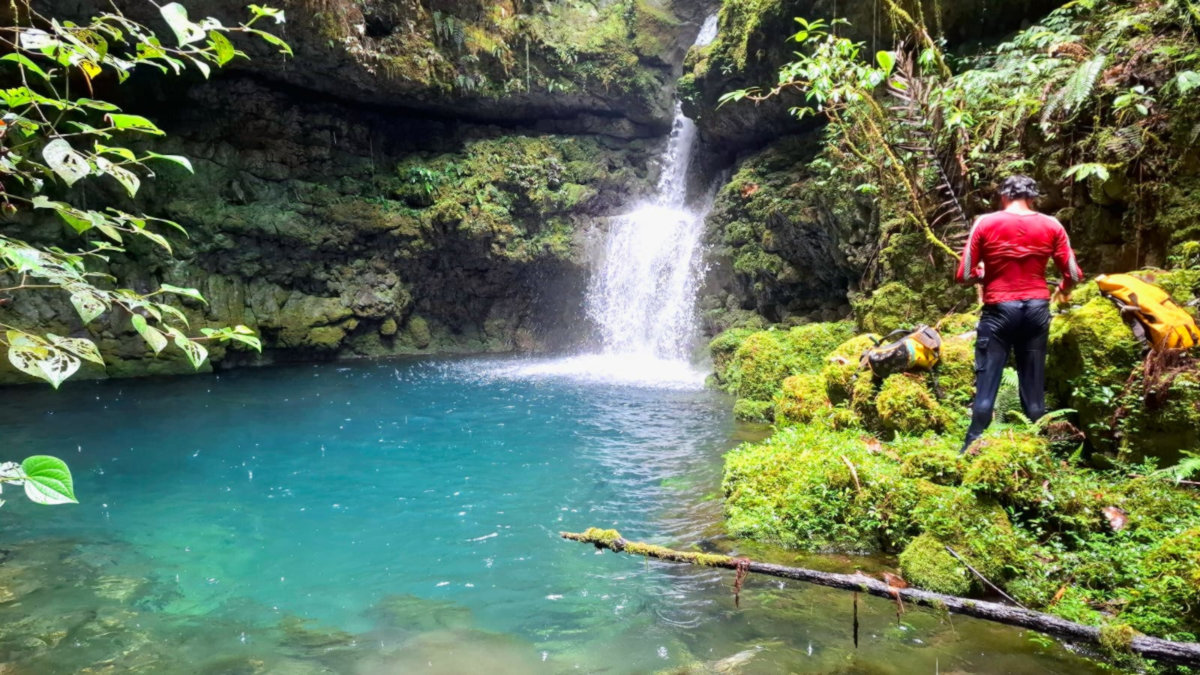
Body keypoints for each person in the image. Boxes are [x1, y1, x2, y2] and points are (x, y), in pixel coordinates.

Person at [954, 175, 1083, 453]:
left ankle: (970, 448)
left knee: (987, 385)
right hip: (1037, 310)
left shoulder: (985, 223)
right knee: (1034, 391)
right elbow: (1073, 273)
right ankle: (1041, 451)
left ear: (1003, 196)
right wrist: (1063, 289)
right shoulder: (1052, 225)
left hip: (999, 310)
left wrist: (983, 274)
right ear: (1033, 198)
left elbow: (963, 275)